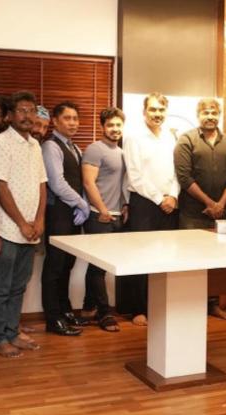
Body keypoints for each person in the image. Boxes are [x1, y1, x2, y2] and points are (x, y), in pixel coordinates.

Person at [0, 91, 47, 356]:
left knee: (19, 285)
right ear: (10, 116)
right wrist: (22, 222)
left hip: (32, 229)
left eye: (31, 110)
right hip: (9, 228)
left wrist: (40, 219)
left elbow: (42, 185)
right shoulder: (1, 142)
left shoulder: (35, 145)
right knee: (0, 287)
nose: (27, 115)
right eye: (22, 110)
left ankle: (12, 332)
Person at [174, 98, 226, 319]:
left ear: (219, 115)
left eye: (214, 112)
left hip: (221, 216)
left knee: (217, 262)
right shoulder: (186, 140)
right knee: (190, 261)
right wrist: (210, 203)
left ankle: (212, 305)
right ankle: (188, 308)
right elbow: (184, 177)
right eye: (205, 112)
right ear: (198, 115)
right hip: (192, 214)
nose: (210, 116)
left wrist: (220, 204)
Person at [121, 92, 179, 326]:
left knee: (165, 257)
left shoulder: (170, 137)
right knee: (141, 257)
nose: (157, 114)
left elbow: (176, 172)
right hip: (144, 203)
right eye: (153, 109)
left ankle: (159, 307)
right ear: (144, 112)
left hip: (169, 204)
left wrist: (173, 195)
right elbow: (135, 176)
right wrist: (159, 199)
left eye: (161, 109)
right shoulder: (133, 137)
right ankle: (138, 309)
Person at [41, 101, 89, 336]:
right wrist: (81, 203)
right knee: (55, 266)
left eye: (75, 118)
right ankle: (53, 318)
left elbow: (78, 181)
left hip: (71, 215)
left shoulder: (75, 148)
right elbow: (57, 183)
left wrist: (81, 203)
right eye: (67, 118)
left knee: (67, 264)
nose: (73, 123)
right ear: (55, 121)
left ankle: (65, 310)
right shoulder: (51, 146)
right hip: (58, 213)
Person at [82, 107, 128, 332]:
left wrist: (124, 205)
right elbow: (88, 182)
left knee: (99, 266)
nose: (115, 129)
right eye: (110, 125)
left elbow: (121, 183)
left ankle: (88, 307)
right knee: (99, 267)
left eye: (118, 125)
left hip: (116, 214)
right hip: (98, 215)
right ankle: (104, 313)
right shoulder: (95, 149)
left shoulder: (121, 152)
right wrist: (101, 209)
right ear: (102, 127)